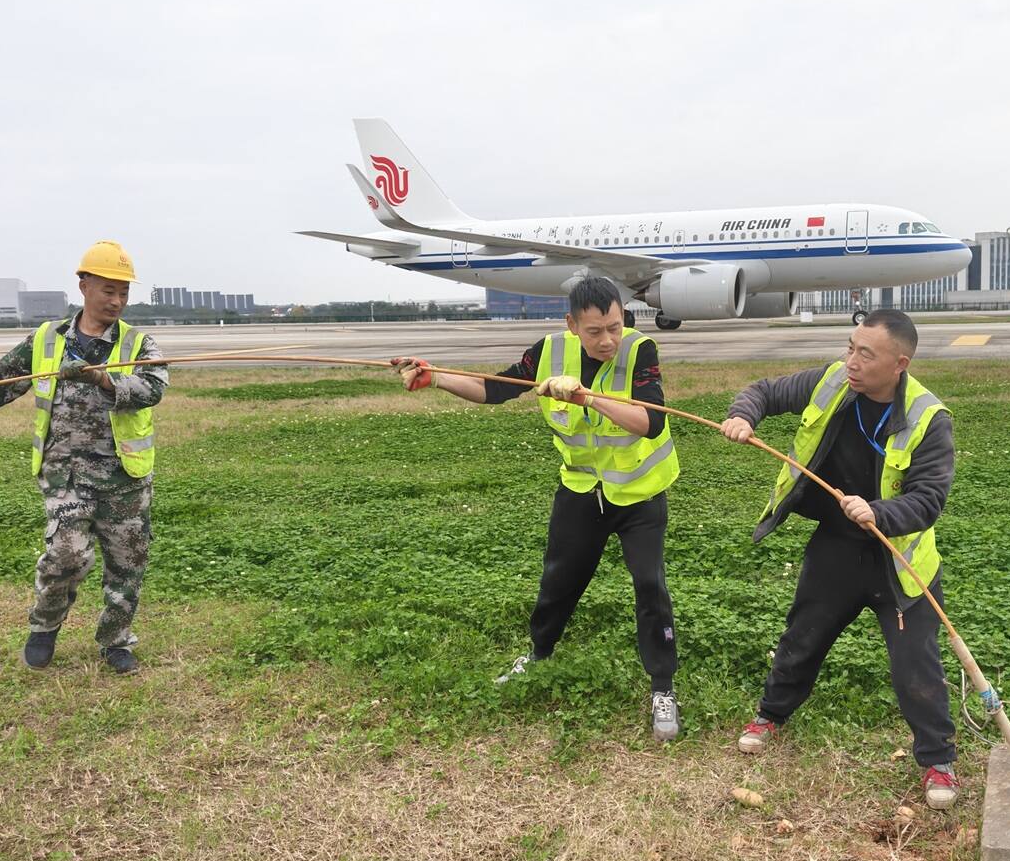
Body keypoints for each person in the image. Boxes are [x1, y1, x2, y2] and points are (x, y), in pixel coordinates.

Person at [392, 277, 684, 740]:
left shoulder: (639, 349)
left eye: (614, 325)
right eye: (594, 331)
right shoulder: (548, 351)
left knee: (650, 585)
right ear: (571, 325)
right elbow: (495, 388)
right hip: (581, 490)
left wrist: (586, 397)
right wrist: (436, 377)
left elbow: (650, 422)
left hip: (640, 493)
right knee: (558, 580)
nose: (607, 339)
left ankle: (663, 688)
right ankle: (539, 653)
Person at [718, 309, 960, 808]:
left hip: (898, 558)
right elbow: (764, 390)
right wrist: (744, 414)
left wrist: (877, 511)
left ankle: (938, 762)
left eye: (865, 354)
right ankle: (770, 716)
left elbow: (929, 500)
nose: (851, 361)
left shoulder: (928, 419)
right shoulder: (832, 381)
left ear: (899, 364)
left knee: (916, 664)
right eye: (850, 347)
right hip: (837, 545)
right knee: (803, 634)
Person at [0, 241, 167, 675]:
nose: (116, 300)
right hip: (66, 474)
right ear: (83, 285)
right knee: (65, 555)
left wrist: (102, 378)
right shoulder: (47, 340)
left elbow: (152, 389)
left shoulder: (140, 343)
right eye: (107, 290)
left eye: (123, 292)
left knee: (127, 565)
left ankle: (116, 642)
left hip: (124, 476)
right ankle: (44, 626)